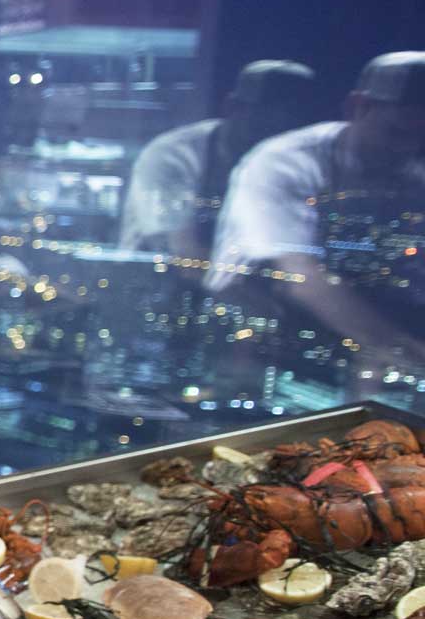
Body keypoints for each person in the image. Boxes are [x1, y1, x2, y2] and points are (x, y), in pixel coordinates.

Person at [207, 51, 425, 386]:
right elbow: (296, 274)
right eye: (396, 133)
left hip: (356, 341)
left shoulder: (413, 171)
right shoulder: (283, 161)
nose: (408, 149)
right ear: (357, 107)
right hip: (252, 336)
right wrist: (398, 348)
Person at [117, 59, 315, 256]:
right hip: (154, 282)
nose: (277, 136)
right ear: (232, 107)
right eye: (266, 118)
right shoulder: (172, 155)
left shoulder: (288, 167)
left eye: (290, 124)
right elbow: (181, 252)